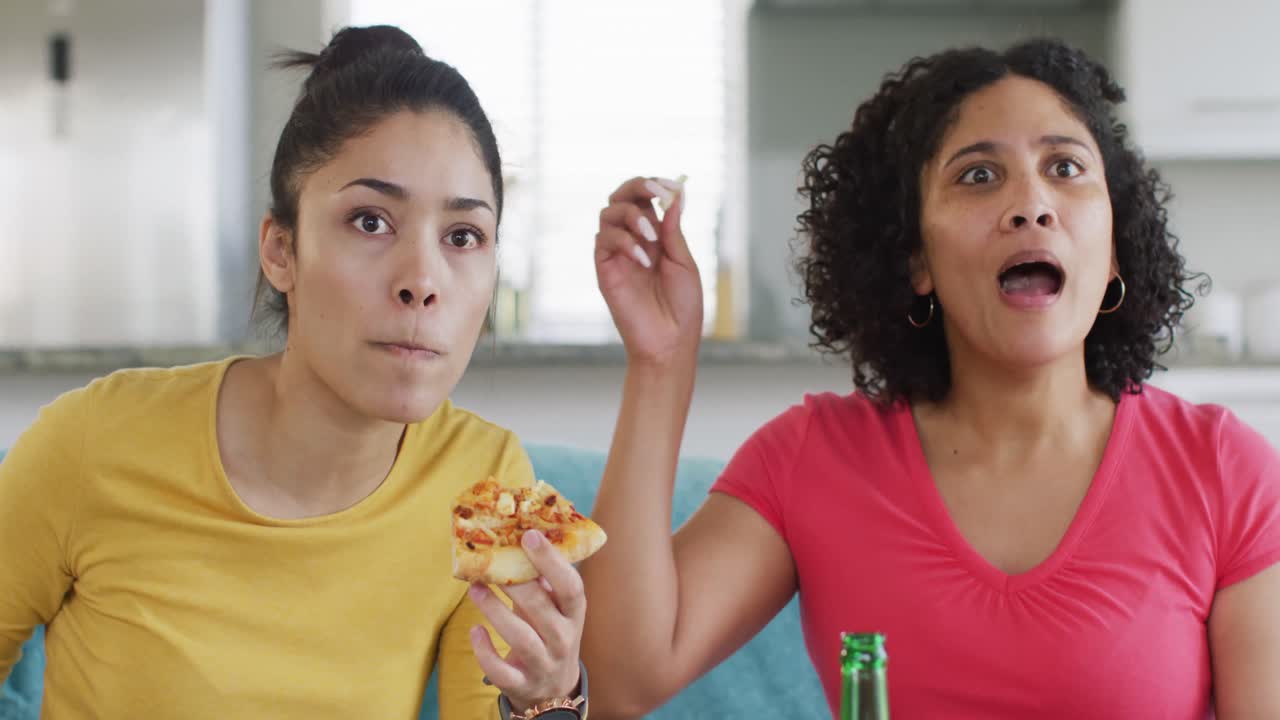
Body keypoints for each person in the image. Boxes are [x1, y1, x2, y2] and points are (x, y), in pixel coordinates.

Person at [580, 37, 1280, 718]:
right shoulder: (813, 456)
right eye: (978, 175)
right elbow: (614, 681)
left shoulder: (1224, 471)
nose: (1031, 203)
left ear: (1116, 246)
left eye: (1065, 167)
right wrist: (661, 362)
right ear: (915, 258)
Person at [0, 26, 587, 720]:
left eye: (463, 236)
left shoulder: (488, 483)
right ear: (281, 250)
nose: (423, 281)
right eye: (370, 222)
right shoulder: (94, 440)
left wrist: (548, 699)